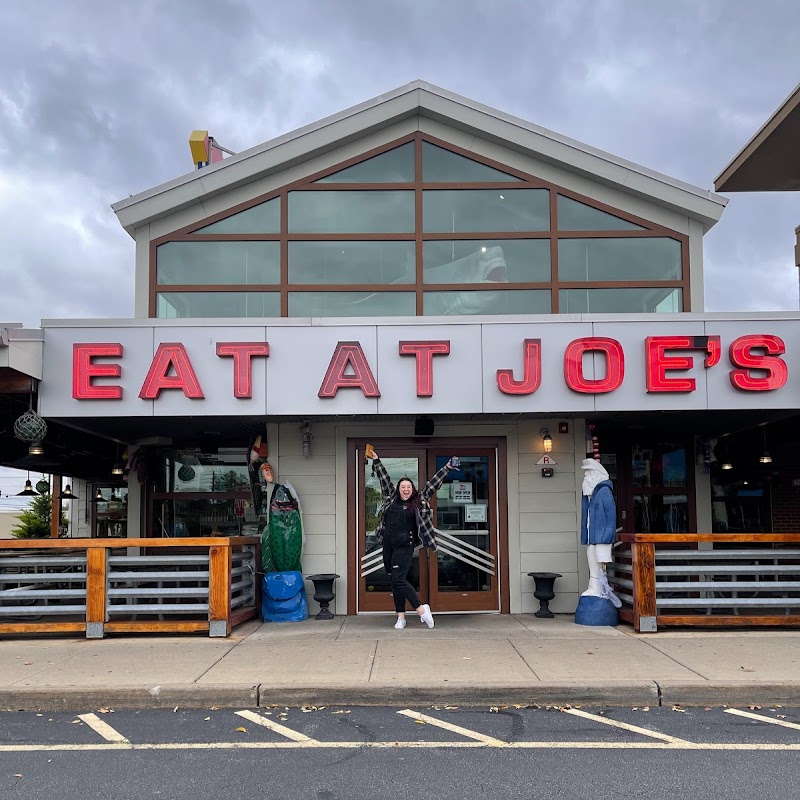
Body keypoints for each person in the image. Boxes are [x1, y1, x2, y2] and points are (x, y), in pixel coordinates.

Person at [367, 447, 456, 629]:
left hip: (405, 545)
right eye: (403, 487)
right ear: (398, 489)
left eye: (408, 487)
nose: (405, 490)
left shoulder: (420, 500)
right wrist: (376, 460)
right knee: (394, 579)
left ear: (412, 489)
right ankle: (401, 617)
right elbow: (384, 479)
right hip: (388, 543)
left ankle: (422, 609)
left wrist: (447, 467)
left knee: (399, 579)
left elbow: (433, 484)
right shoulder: (390, 498)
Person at [580, 457, 621, 608]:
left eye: (589, 472)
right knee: (591, 560)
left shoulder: (604, 492)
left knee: (601, 562)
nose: (586, 476)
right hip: (592, 536)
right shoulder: (590, 496)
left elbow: (611, 516)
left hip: (602, 537)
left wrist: (607, 535)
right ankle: (593, 586)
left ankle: (602, 588)